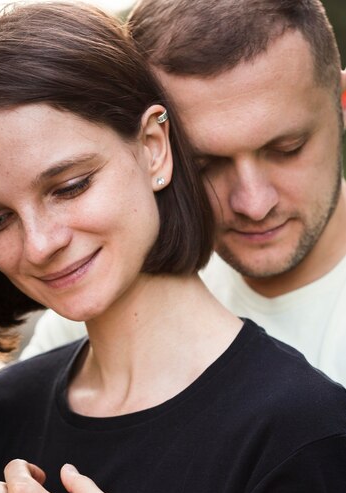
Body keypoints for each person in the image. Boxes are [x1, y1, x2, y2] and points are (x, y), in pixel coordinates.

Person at [0, 1, 346, 493]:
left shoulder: (304, 431)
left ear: (154, 148)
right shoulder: (2, 413)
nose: (40, 243)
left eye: (69, 186)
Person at [23, 0, 346, 391]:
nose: (254, 205)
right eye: (204, 165)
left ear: (341, 102)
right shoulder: (122, 286)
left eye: (287, 149)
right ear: (152, 146)